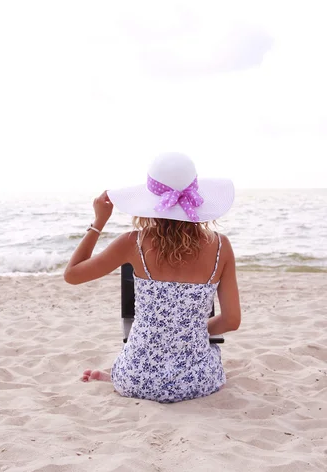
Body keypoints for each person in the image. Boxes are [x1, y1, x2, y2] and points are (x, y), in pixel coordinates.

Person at [64, 152, 241, 403]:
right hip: (197, 383)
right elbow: (232, 320)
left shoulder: (132, 242)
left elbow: (72, 275)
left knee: (131, 361)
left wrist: (99, 222)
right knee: (211, 358)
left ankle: (115, 376)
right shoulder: (221, 246)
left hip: (135, 378)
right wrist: (190, 331)